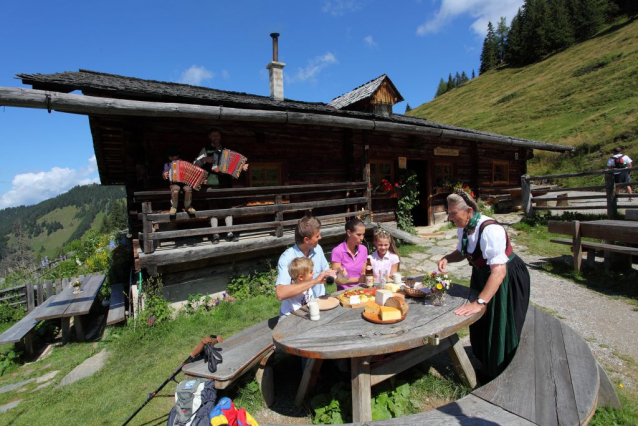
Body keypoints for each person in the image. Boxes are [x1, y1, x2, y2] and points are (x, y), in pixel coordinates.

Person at [437, 190, 530, 381]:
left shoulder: (490, 230)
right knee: (482, 323)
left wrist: (480, 302)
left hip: (505, 279)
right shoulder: (464, 227)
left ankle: (500, 373)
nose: (450, 217)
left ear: (469, 211)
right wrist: (448, 258)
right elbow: (465, 251)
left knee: (499, 323)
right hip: (482, 275)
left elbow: (499, 272)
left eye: (453, 213)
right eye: (449, 212)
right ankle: (484, 361)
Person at [194, 128, 249, 243]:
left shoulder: (226, 151)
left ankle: (230, 233)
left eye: (218, 136)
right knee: (213, 209)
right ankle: (215, 235)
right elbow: (195, 163)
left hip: (226, 183)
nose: (216, 138)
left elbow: (235, 168)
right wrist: (204, 159)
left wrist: (242, 167)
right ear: (210, 137)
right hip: (212, 183)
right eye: (214, 136)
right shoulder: (205, 150)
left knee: (227, 208)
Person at [275, 216, 335, 318]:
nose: (320, 237)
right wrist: (314, 281)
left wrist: (333, 274)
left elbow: (325, 273)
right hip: (297, 314)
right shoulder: (288, 258)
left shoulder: (317, 249)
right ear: (306, 239)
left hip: (320, 305)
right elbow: (281, 293)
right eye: (317, 236)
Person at [331, 218, 368, 290]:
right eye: (358, 235)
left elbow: (363, 273)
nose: (362, 238)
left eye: (363, 234)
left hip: (362, 289)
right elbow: (339, 280)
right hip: (344, 292)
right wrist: (358, 280)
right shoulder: (337, 251)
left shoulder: (363, 249)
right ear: (349, 233)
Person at [162, 148, 195, 215]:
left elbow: (190, 171)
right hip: (174, 183)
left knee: (188, 189)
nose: (172, 158)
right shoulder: (167, 164)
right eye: (170, 156)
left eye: (174, 156)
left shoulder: (183, 163)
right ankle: (174, 207)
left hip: (184, 182)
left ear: (177, 156)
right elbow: (164, 174)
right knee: (175, 190)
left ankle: (188, 206)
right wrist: (164, 175)